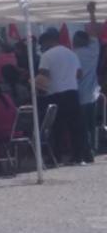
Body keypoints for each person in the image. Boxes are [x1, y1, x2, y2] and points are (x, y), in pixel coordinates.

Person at [38, 27, 91, 164]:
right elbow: (79, 74)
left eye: (42, 44)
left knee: (57, 128)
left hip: (55, 94)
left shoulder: (46, 56)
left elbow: (43, 75)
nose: (42, 47)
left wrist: (36, 85)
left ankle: (55, 157)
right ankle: (78, 156)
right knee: (75, 126)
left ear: (48, 41)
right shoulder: (71, 53)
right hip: (72, 92)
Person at [75, 2, 102, 156]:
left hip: (80, 96)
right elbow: (94, 32)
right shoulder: (94, 51)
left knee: (83, 126)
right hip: (93, 95)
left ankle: (87, 150)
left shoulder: (74, 54)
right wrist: (92, 12)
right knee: (91, 125)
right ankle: (92, 149)